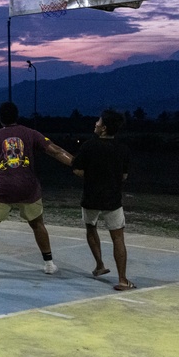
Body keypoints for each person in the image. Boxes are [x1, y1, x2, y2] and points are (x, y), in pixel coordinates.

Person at [0, 101, 74, 284]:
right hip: (28, 187)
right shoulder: (30, 133)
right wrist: (75, 164)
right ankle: (49, 263)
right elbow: (55, 151)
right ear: (17, 116)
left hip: (1, 189)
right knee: (37, 224)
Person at [71, 109, 134, 291]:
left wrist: (92, 176)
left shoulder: (89, 146)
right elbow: (123, 176)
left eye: (98, 122)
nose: (95, 125)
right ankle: (122, 280)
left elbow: (76, 169)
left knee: (91, 227)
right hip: (113, 199)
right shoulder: (123, 149)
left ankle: (99, 264)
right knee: (118, 238)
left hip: (91, 197)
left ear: (104, 128)